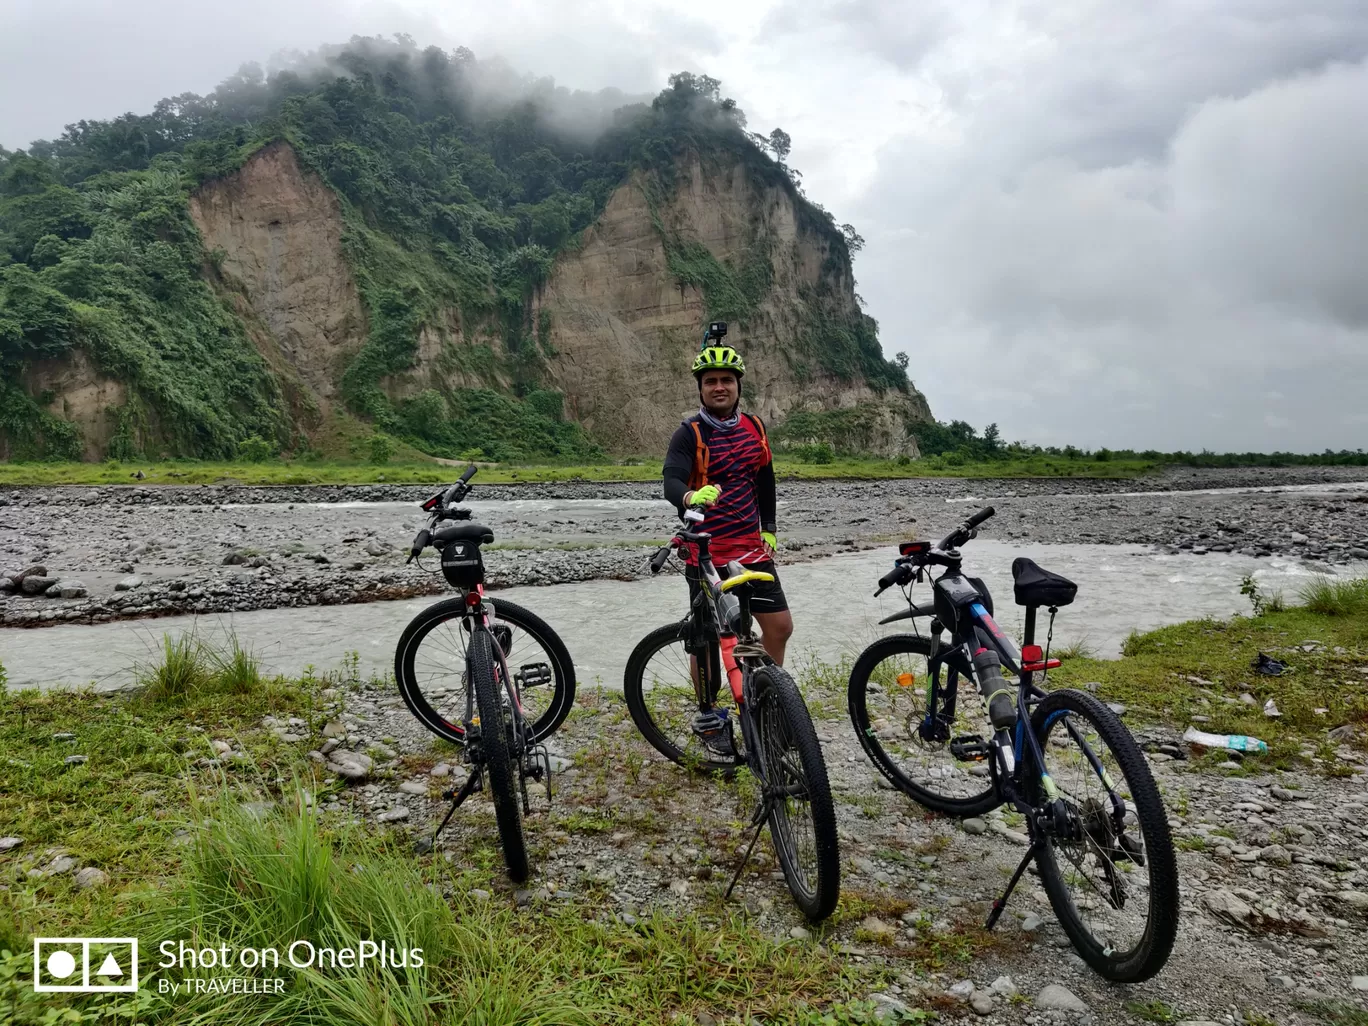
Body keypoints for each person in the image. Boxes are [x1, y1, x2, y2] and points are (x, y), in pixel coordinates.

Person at [662, 325, 793, 755]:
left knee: (778, 626)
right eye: (711, 381)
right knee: (709, 636)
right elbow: (671, 479)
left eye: (727, 381)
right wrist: (687, 496)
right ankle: (708, 713)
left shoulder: (754, 426)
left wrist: (769, 526)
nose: (719, 387)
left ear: (738, 386)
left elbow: (766, 478)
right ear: (701, 388)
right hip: (705, 550)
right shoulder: (690, 433)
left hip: (751, 546)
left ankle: (768, 698)